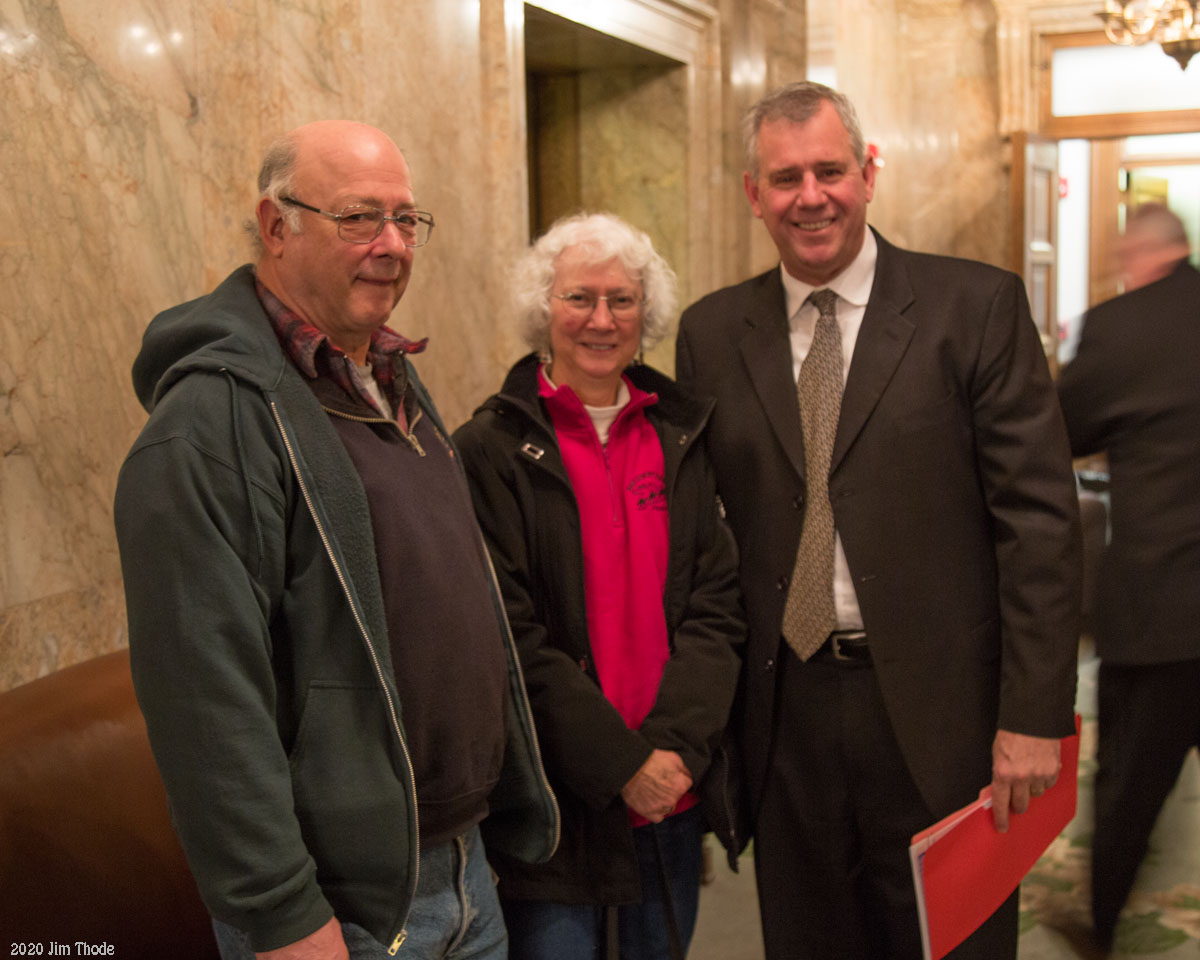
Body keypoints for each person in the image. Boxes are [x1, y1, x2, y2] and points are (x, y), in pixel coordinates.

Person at [113, 120, 558, 960]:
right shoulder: (212, 422)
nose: (391, 244)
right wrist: (282, 915)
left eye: (405, 219)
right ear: (276, 225)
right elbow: (205, 700)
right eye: (359, 217)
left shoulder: (383, 376)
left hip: (465, 870)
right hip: (342, 907)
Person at [674, 81, 1081, 959]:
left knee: (953, 943)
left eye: (830, 170)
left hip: (946, 721)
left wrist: (1036, 713)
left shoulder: (973, 308)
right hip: (785, 720)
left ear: (869, 172)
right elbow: (703, 536)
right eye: (785, 178)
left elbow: (1039, 523)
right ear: (754, 194)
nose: (810, 196)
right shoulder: (711, 333)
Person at [453, 212, 744, 960]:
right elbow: (507, 635)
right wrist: (621, 767)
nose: (601, 320)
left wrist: (673, 754)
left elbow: (716, 611)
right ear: (542, 311)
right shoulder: (489, 449)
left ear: (647, 315)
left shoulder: (683, 435)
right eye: (579, 298)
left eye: (621, 300)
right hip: (557, 803)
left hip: (671, 795)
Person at [1058, 202, 1199, 956]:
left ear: (1139, 254)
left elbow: (1059, 429)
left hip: (1160, 609)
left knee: (1126, 790)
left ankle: (1102, 928)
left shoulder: (1123, 328)